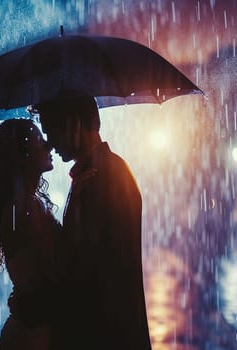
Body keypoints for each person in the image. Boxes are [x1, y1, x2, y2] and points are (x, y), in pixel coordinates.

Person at [31, 94, 152, 350]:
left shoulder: (100, 177)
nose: (50, 144)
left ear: (73, 125)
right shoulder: (105, 169)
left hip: (101, 335)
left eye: (50, 131)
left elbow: (84, 267)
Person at [0, 118, 60, 350]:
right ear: (23, 154)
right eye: (40, 140)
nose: (49, 145)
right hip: (33, 337)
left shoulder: (24, 204)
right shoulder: (23, 208)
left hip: (29, 330)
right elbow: (55, 272)